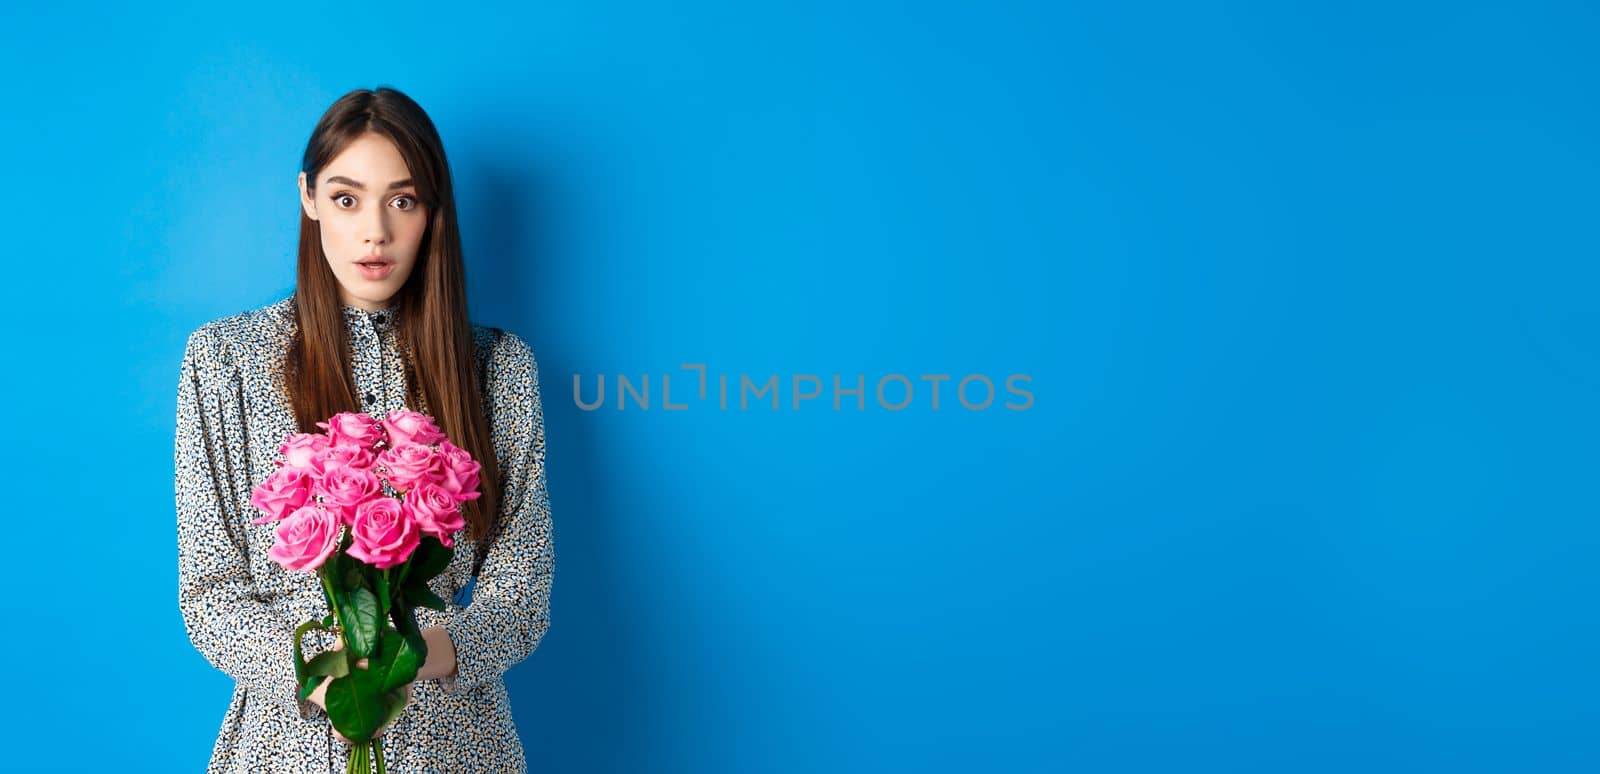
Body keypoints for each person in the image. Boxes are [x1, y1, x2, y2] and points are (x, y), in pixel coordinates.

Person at [174, 86, 555, 772]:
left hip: (456, 744)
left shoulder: (499, 367)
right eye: (347, 198)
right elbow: (209, 591)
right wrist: (331, 678)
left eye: (402, 201)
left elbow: (522, 588)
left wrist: (416, 655)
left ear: (433, 213)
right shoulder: (222, 360)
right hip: (284, 744)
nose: (374, 231)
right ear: (309, 196)